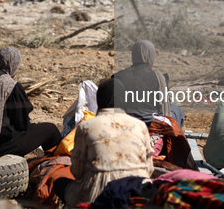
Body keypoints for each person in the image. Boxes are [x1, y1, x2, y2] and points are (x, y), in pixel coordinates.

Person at [54, 79, 154, 207]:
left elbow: (77, 171)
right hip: (136, 191)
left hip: (98, 194)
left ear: (99, 99)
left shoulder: (86, 126)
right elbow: (149, 168)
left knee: (59, 183)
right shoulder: (140, 125)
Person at [112, 40, 184, 127]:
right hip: (151, 122)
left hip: (124, 120)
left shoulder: (117, 76)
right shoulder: (159, 77)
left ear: (133, 55)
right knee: (177, 110)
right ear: (151, 56)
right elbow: (164, 105)